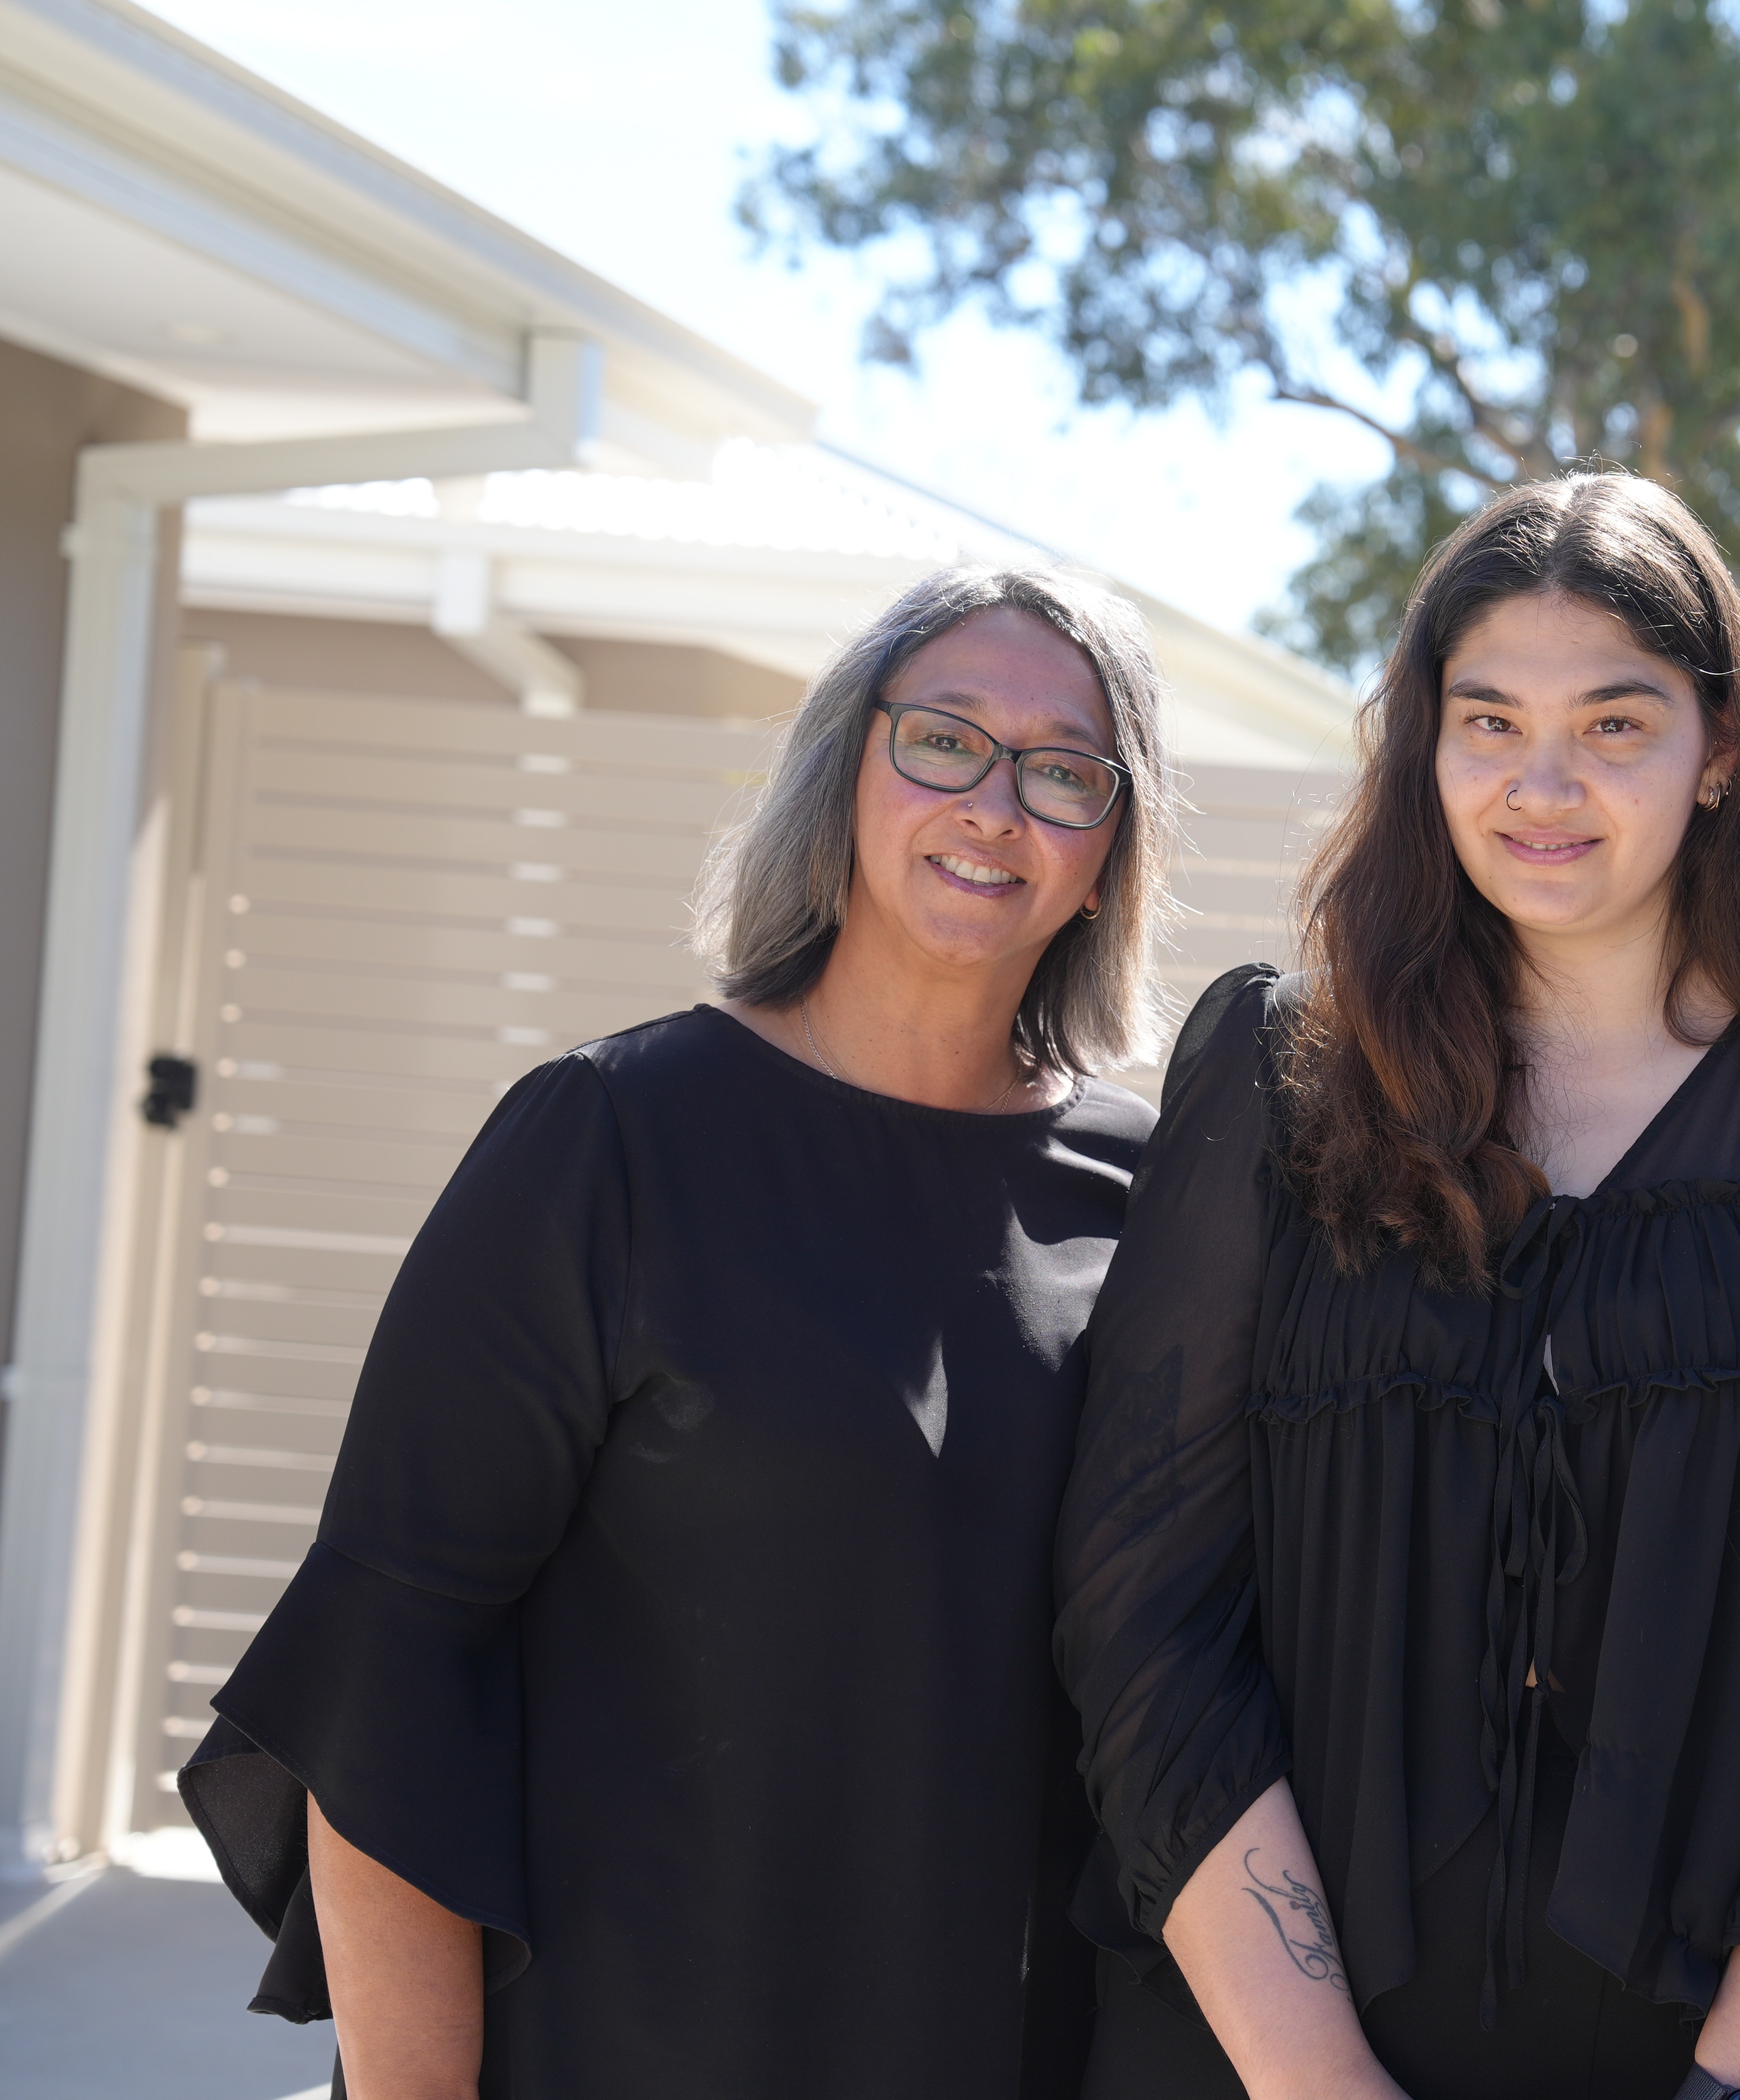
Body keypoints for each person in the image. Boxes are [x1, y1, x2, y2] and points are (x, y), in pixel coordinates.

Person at [1055, 471, 1740, 2100]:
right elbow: (1139, 1602)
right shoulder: (1280, 1073)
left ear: (1723, 751)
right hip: (1261, 2046)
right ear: (1425, 747)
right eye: (1489, 720)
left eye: (1617, 724)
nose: (1543, 783)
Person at [179, 564, 1180, 2100]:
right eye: (945, 740)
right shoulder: (610, 1144)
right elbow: (389, 1676)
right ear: (847, 767)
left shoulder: (1159, 1201)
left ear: (1111, 852)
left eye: (1065, 772)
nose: (996, 805)